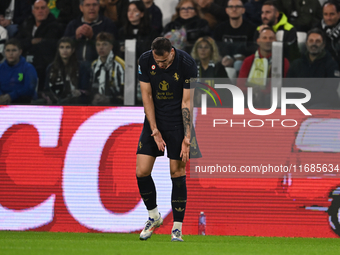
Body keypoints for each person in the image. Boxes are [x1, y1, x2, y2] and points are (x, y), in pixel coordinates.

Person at [136, 37, 196, 242]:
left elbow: (187, 102)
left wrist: (188, 137)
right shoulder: (145, 60)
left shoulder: (187, 63)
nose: (160, 65)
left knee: (177, 172)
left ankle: (177, 228)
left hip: (179, 122)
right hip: (154, 120)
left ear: (172, 52)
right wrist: (154, 129)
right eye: (157, 61)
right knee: (141, 171)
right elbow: (147, 96)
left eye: (164, 62)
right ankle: (154, 216)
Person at [15, 0, 63, 92]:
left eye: (43, 8)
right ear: (33, 11)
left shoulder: (55, 26)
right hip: (24, 61)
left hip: (43, 63)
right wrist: (31, 42)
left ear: (48, 10)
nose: (40, 11)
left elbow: (49, 45)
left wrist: (29, 43)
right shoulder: (26, 24)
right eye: (37, 8)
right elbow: (18, 41)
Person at [286, 28, 340, 109]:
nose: (314, 44)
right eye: (311, 41)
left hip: (323, 107)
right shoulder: (296, 64)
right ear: (306, 43)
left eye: (318, 41)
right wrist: (296, 101)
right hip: (298, 105)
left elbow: (329, 90)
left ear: (323, 44)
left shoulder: (331, 65)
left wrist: (306, 102)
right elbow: (288, 86)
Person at [237, 27, 290, 107]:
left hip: (271, 99)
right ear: (258, 41)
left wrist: (261, 92)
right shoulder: (249, 60)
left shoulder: (283, 62)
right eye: (264, 38)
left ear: (275, 41)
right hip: (250, 96)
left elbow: (282, 86)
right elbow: (240, 85)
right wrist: (252, 92)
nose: (268, 41)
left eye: (271, 38)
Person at [41, 37, 91, 105]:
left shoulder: (81, 67)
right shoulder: (51, 68)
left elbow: (86, 90)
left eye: (67, 47)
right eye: (62, 47)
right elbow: (46, 89)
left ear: (73, 50)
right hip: (54, 103)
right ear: (58, 50)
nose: (64, 50)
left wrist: (77, 93)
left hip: (75, 103)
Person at [213, 0, 257, 72]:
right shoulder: (219, 29)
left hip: (245, 66)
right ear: (227, 10)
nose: (234, 9)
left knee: (238, 64)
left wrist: (234, 60)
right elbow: (215, 50)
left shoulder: (252, 29)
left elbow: (253, 53)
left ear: (243, 10)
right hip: (223, 65)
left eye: (237, 6)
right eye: (231, 7)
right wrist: (222, 59)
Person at [191, 36, 230, 107]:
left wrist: (207, 96)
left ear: (212, 50)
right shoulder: (192, 67)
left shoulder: (218, 68)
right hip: (196, 105)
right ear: (196, 50)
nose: (203, 50)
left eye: (206, 47)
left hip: (215, 105)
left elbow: (225, 90)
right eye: (200, 47)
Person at [0, 39, 37, 104]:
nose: (10, 53)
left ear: (20, 52)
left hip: (22, 101)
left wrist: (11, 96)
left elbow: (30, 88)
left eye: (14, 50)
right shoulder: (1, 67)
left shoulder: (28, 68)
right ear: (4, 52)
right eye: (8, 50)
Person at [91, 32, 124, 105]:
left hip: (116, 103)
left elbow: (124, 90)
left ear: (111, 46)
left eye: (104, 44)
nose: (101, 47)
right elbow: (93, 85)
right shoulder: (94, 64)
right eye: (98, 45)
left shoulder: (120, 64)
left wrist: (111, 99)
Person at [317, 0, 340, 67]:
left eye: (332, 14)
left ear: (339, 14)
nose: (328, 18)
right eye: (325, 14)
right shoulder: (316, 30)